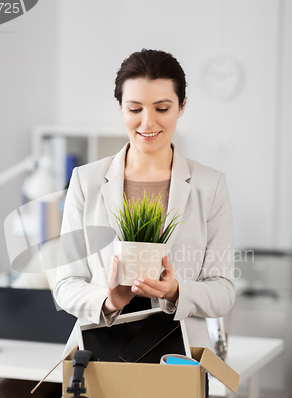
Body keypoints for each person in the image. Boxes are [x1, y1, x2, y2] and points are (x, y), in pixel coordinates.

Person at [54, 49, 235, 359]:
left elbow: (223, 291)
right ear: (121, 108)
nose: (147, 122)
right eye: (134, 108)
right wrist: (109, 301)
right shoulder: (86, 181)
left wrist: (175, 290)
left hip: (180, 357)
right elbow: (65, 284)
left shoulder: (210, 185)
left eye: (162, 108)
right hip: (99, 354)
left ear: (181, 107)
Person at [0, 234, 64, 398]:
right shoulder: (54, 251)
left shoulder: (120, 250)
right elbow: (19, 296)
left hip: (96, 360)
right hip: (50, 360)